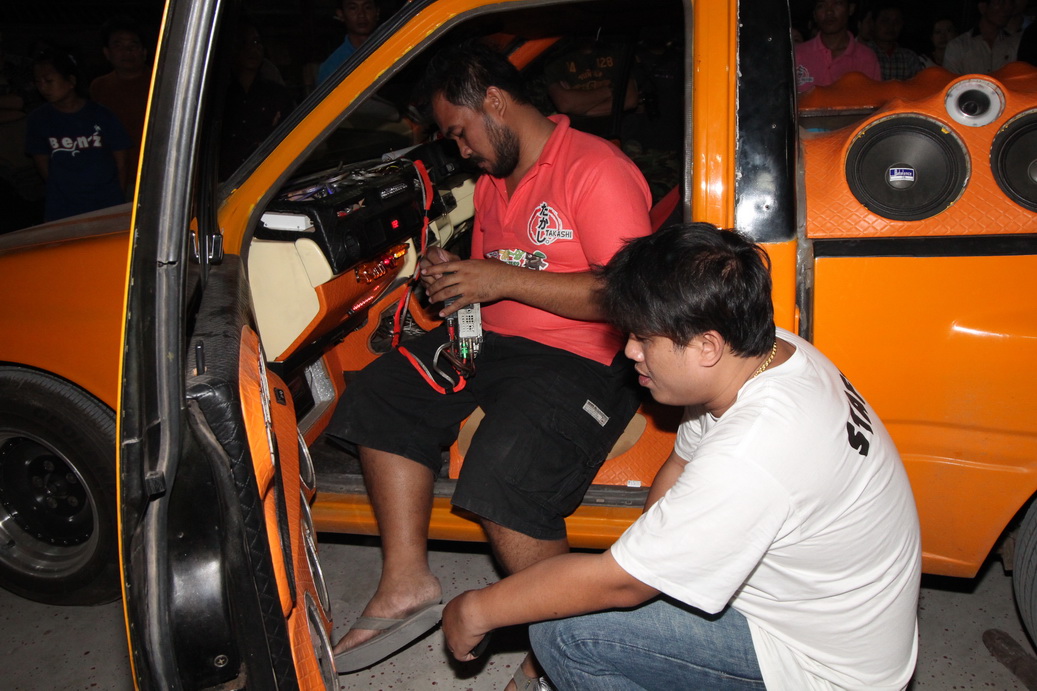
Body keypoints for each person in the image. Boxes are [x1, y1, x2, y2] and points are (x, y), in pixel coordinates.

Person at [441, 223, 922, 691]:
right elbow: (680, 465)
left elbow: (620, 585)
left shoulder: (753, 451)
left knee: (563, 634)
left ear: (706, 347)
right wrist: (646, 556)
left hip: (821, 668)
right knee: (591, 594)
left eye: (644, 338)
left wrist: (477, 610)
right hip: (825, 620)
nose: (630, 351)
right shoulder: (766, 353)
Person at [325, 39, 651, 687]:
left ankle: (561, 640)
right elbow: (499, 276)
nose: (459, 149)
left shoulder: (595, 169)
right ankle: (405, 583)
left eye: (459, 132)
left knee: (503, 474)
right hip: (491, 343)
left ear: (495, 103)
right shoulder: (492, 182)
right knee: (379, 393)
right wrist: (456, 277)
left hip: (584, 357)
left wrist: (498, 278)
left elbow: (632, 293)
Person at [26, 49, 130, 222]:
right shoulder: (38, 119)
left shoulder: (101, 114)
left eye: (49, 81)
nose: (43, 87)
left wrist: (117, 198)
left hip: (106, 201)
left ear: (71, 81)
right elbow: (42, 164)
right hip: (63, 206)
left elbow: (122, 161)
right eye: (38, 82)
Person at [218, 21, 294, 180]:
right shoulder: (219, 97)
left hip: (268, 176)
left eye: (256, 42)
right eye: (243, 43)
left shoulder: (276, 93)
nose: (252, 49)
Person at [89, 15, 150, 193]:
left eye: (133, 45)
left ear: (144, 52)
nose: (127, 51)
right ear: (107, 53)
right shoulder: (99, 87)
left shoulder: (161, 83)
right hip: (115, 177)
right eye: (118, 45)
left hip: (156, 174)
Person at [796, 0, 881, 92]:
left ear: (851, 9)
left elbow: (875, 98)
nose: (829, 12)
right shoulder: (797, 55)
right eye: (821, 5)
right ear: (814, 14)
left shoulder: (866, 58)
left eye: (837, 3)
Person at [943, 0, 1021, 74]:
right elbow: (951, 80)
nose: (1006, 8)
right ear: (983, 7)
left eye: (1010, 3)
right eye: (999, 2)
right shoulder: (959, 46)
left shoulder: (1014, 43)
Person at [316, 0, 381, 84]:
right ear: (341, 14)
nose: (361, 15)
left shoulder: (392, 49)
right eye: (353, 8)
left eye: (367, 7)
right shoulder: (332, 68)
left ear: (377, 12)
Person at [864, 2, 924, 80]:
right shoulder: (863, 53)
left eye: (897, 22)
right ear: (873, 23)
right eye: (885, 21)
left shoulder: (909, 58)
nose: (891, 26)